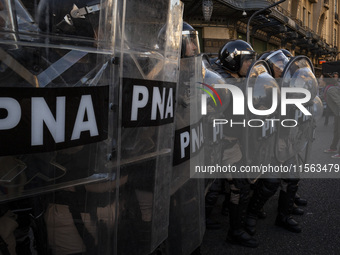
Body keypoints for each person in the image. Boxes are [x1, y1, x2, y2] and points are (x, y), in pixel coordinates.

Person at [245, 50, 304, 238]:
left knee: (292, 178)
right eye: (277, 63)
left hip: (287, 137)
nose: (282, 66)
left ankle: (284, 215)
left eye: (282, 62)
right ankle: (251, 216)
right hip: (269, 139)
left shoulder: (288, 83)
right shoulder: (262, 85)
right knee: (270, 182)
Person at [212, 40, 258, 248]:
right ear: (234, 60)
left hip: (236, 144)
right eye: (247, 60)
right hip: (224, 145)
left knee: (240, 188)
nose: (250, 64)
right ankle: (235, 231)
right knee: (238, 187)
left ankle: (236, 225)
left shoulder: (237, 80)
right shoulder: (222, 84)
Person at [323, 72, 340, 158]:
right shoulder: (328, 88)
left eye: (321, 78)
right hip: (337, 113)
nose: (319, 80)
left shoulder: (331, 90)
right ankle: (333, 148)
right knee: (336, 131)